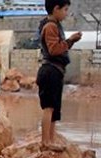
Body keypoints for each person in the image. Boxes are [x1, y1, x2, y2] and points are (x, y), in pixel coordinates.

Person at [36, 0, 82, 148]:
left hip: (55, 71)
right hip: (50, 71)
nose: (66, 13)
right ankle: (46, 142)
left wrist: (70, 42)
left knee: (54, 109)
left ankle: (51, 139)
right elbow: (54, 50)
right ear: (56, 8)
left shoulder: (54, 25)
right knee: (48, 108)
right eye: (65, 10)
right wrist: (70, 40)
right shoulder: (50, 26)